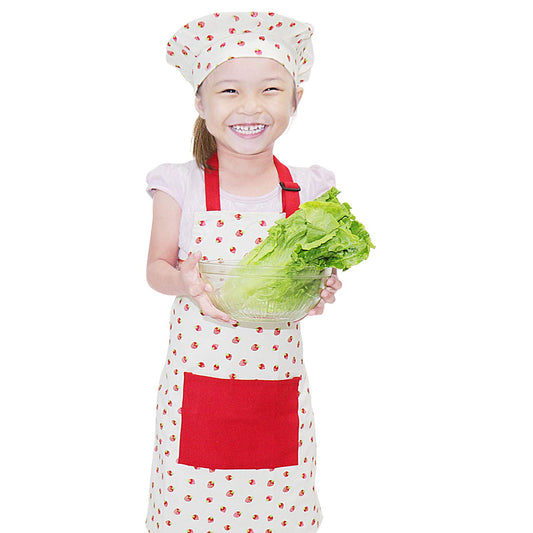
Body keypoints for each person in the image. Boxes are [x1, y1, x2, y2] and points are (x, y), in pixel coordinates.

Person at [144, 12, 342, 532]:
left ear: (296, 100)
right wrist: (184, 281)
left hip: (276, 386)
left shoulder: (309, 189)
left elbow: (311, 275)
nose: (250, 106)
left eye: (270, 89)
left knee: (280, 510)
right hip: (200, 388)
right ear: (201, 103)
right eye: (229, 90)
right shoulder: (179, 184)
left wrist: (317, 288)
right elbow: (156, 269)